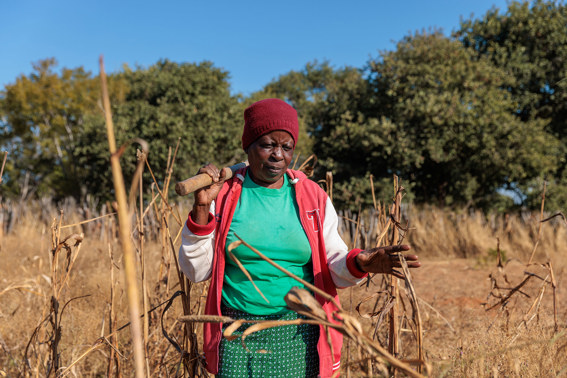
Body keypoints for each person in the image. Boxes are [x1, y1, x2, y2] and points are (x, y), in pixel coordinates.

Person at [178, 98, 421, 377]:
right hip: (235, 335)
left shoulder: (311, 196)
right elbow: (196, 272)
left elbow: (333, 264)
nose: (278, 155)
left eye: (286, 147)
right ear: (248, 146)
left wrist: (363, 263)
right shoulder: (223, 195)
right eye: (268, 144)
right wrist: (200, 207)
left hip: (299, 335)